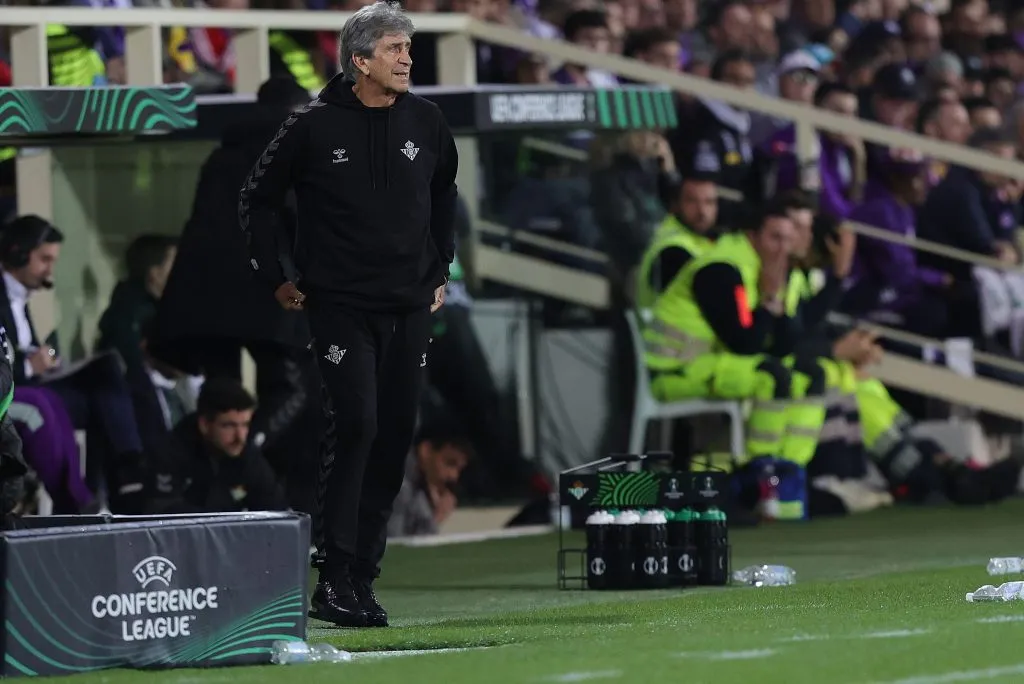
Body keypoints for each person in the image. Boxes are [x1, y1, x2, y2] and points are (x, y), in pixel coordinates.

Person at [238, 1, 458, 629]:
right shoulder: (310, 125)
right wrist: (276, 278)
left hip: (410, 304)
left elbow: (444, 196)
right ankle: (332, 576)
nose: (407, 59)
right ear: (359, 60)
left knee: (393, 436)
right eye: (394, 49)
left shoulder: (428, 119)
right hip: (338, 305)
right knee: (356, 423)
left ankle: (361, 578)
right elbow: (257, 199)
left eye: (408, 49)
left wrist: (441, 268)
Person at [643, 199, 827, 520]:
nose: (782, 249)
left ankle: (787, 484)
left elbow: (783, 346)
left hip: (713, 364)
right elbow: (743, 342)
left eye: (788, 239)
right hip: (675, 370)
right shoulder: (721, 269)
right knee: (772, 377)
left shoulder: (765, 270)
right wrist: (770, 300)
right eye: (775, 238)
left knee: (809, 375)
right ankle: (758, 481)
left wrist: (776, 302)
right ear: (752, 237)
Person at [0, 215, 146, 511]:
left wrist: (50, 360)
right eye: (44, 259)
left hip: (30, 386)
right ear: (18, 252)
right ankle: (75, 503)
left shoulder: (21, 299)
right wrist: (30, 367)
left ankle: (122, 476)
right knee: (44, 403)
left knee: (104, 381)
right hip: (16, 392)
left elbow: (29, 352)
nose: (49, 269)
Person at [153, 377, 289, 514]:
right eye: (229, 426)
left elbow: (275, 509)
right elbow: (164, 513)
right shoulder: (172, 453)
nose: (240, 437)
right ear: (205, 425)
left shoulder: (247, 453)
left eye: (245, 425)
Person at [635, 173, 719, 310]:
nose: (702, 211)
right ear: (676, 205)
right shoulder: (675, 249)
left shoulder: (698, 238)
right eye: (692, 201)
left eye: (709, 202)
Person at [387, 420, 472, 537]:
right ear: (425, 450)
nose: (454, 476)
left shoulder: (422, 485)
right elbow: (394, 546)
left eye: (459, 469)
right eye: (449, 463)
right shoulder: (399, 484)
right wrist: (437, 517)